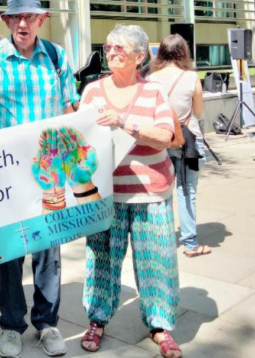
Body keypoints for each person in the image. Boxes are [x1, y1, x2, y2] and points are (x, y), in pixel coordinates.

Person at [0, 0, 79, 358]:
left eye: (29, 17)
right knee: (11, 251)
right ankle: (12, 326)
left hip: (47, 172)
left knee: (48, 249)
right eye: (15, 18)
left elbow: (70, 110)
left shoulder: (56, 56)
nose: (22, 24)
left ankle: (47, 323)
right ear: (6, 21)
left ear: (41, 19)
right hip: (4, 172)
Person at [78, 24, 180, 358]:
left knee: (156, 262)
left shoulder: (153, 91)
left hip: (150, 192)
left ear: (140, 55)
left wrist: (124, 121)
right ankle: (97, 320)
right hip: (106, 196)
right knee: (102, 260)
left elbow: (166, 136)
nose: (112, 52)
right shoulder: (92, 91)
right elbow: (81, 141)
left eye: (120, 47)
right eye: (108, 46)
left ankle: (160, 326)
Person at [148, 34, 211, 258]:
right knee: (187, 192)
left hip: (159, 140)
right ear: (184, 52)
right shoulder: (191, 77)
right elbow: (199, 111)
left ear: (161, 52)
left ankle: (158, 241)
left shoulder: (151, 78)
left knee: (158, 193)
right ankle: (190, 243)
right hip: (188, 140)